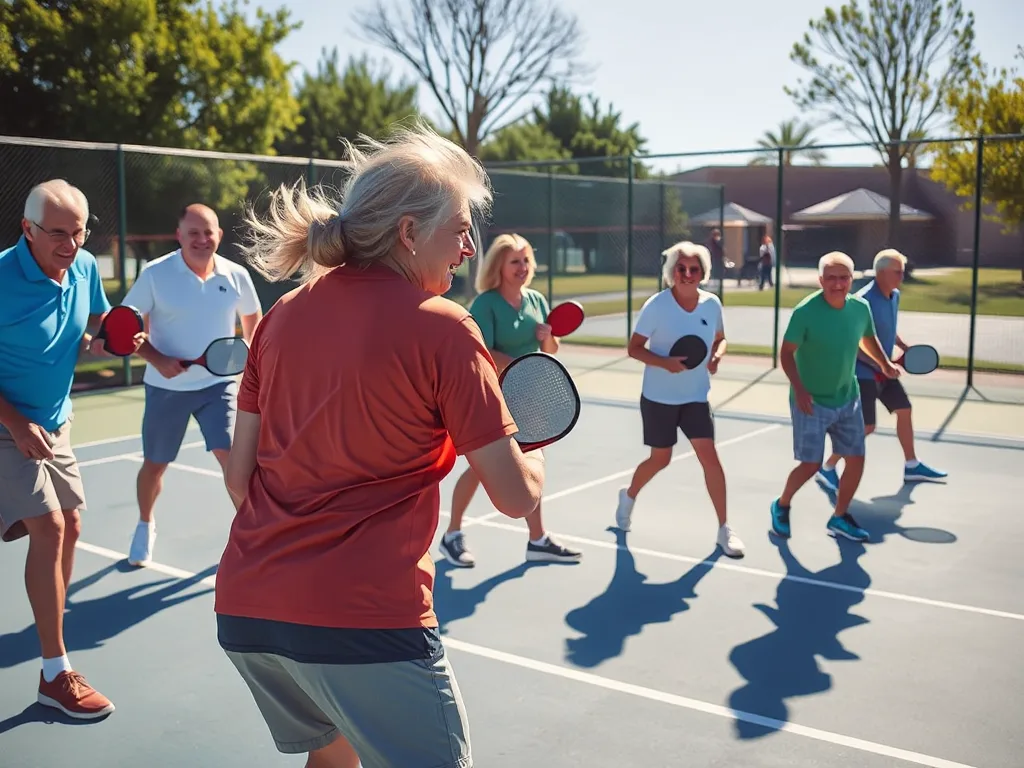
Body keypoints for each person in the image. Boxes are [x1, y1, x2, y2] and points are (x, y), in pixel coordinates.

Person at [213, 122, 546, 768]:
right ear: (407, 233)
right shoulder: (446, 328)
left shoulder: (280, 317)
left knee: (334, 759)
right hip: (367, 624)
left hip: (251, 612)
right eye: (458, 229)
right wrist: (532, 444)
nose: (468, 246)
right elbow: (513, 495)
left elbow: (239, 478)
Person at [0, 179, 141, 719]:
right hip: (7, 426)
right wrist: (13, 423)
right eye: (57, 233)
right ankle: (55, 672)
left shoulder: (81, 269)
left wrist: (122, 336)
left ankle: (50, 647)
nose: (70, 244)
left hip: (54, 424)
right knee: (51, 527)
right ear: (27, 230)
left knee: (72, 525)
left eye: (79, 232)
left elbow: (98, 325)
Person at [121, 204, 262, 567]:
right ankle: (144, 524)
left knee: (234, 458)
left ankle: (254, 533)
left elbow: (252, 320)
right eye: (193, 233)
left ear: (219, 235)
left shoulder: (236, 275)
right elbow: (127, 329)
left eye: (208, 232)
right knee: (155, 464)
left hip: (220, 387)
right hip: (166, 388)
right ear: (179, 235)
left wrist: (250, 353)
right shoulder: (155, 274)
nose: (202, 239)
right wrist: (156, 358)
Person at [439, 233, 582, 568]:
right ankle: (452, 535)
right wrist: (525, 366)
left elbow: (551, 351)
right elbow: (484, 352)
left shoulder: (535, 300)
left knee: (530, 466)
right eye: (515, 261)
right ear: (499, 266)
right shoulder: (486, 304)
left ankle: (538, 539)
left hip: (531, 399)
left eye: (526, 260)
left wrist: (548, 340)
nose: (522, 267)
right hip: (494, 396)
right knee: (482, 469)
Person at [615, 240, 746, 559]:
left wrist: (717, 356)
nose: (687, 274)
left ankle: (724, 528)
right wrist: (665, 363)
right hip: (658, 398)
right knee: (660, 458)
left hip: (696, 397)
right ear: (671, 272)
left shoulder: (712, 304)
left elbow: (721, 338)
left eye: (694, 269)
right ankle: (628, 496)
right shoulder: (657, 306)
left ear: (703, 273)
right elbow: (634, 348)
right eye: (681, 268)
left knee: (709, 457)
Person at [771, 251, 901, 543]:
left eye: (843, 278)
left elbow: (867, 339)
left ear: (851, 280)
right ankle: (781, 504)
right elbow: (786, 354)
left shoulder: (860, 308)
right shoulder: (805, 312)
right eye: (831, 278)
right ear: (821, 281)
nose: (838, 283)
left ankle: (839, 517)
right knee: (810, 465)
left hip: (847, 397)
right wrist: (800, 390)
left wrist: (884, 363)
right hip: (811, 401)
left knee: (856, 457)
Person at [816, 249, 946, 489]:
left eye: (902, 272)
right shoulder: (861, 302)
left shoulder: (894, 296)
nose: (902, 277)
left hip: (883, 371)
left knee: (904, 409)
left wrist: (902, 346)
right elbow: (853, 343)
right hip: (861, 374)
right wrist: (881, 364)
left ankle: (911, 465)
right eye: (897, 272)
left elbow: (884, 328)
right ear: (881, 273)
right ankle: (827, 467)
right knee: (866, 427)